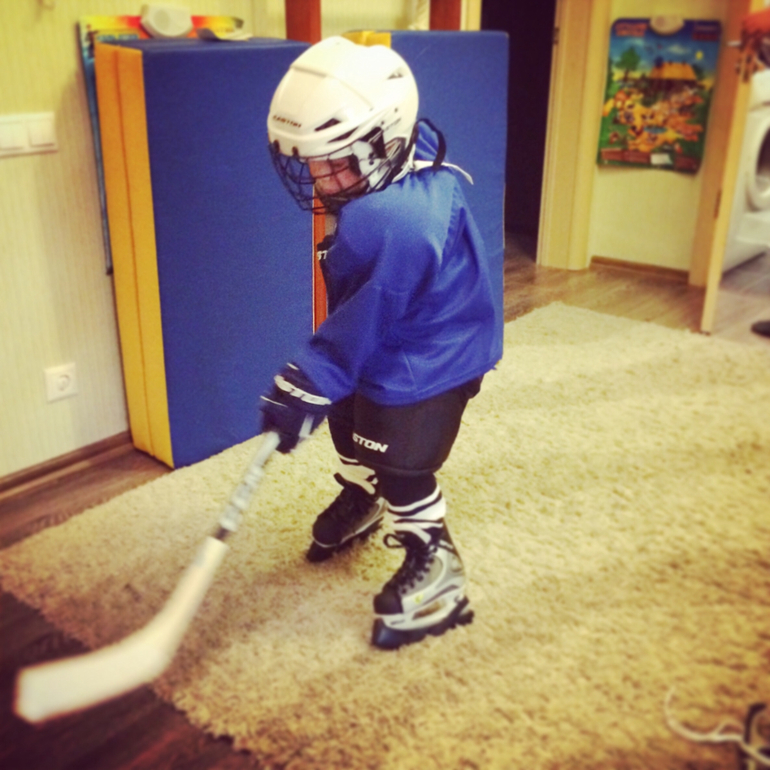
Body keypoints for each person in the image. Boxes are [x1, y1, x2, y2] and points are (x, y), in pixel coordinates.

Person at [260, 36, 502, 649]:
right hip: (397, 330)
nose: (321, 177)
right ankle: (363, 494)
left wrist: (307, 380)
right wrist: (325, 385)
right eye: (314, 162)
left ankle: (436, 562)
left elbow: (366, 316)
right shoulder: (391, 171)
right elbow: (364, 318)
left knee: (399, 458)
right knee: (348, 425)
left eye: (336, 161)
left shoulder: (393, 220)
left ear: (384, 143)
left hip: (433, 355)